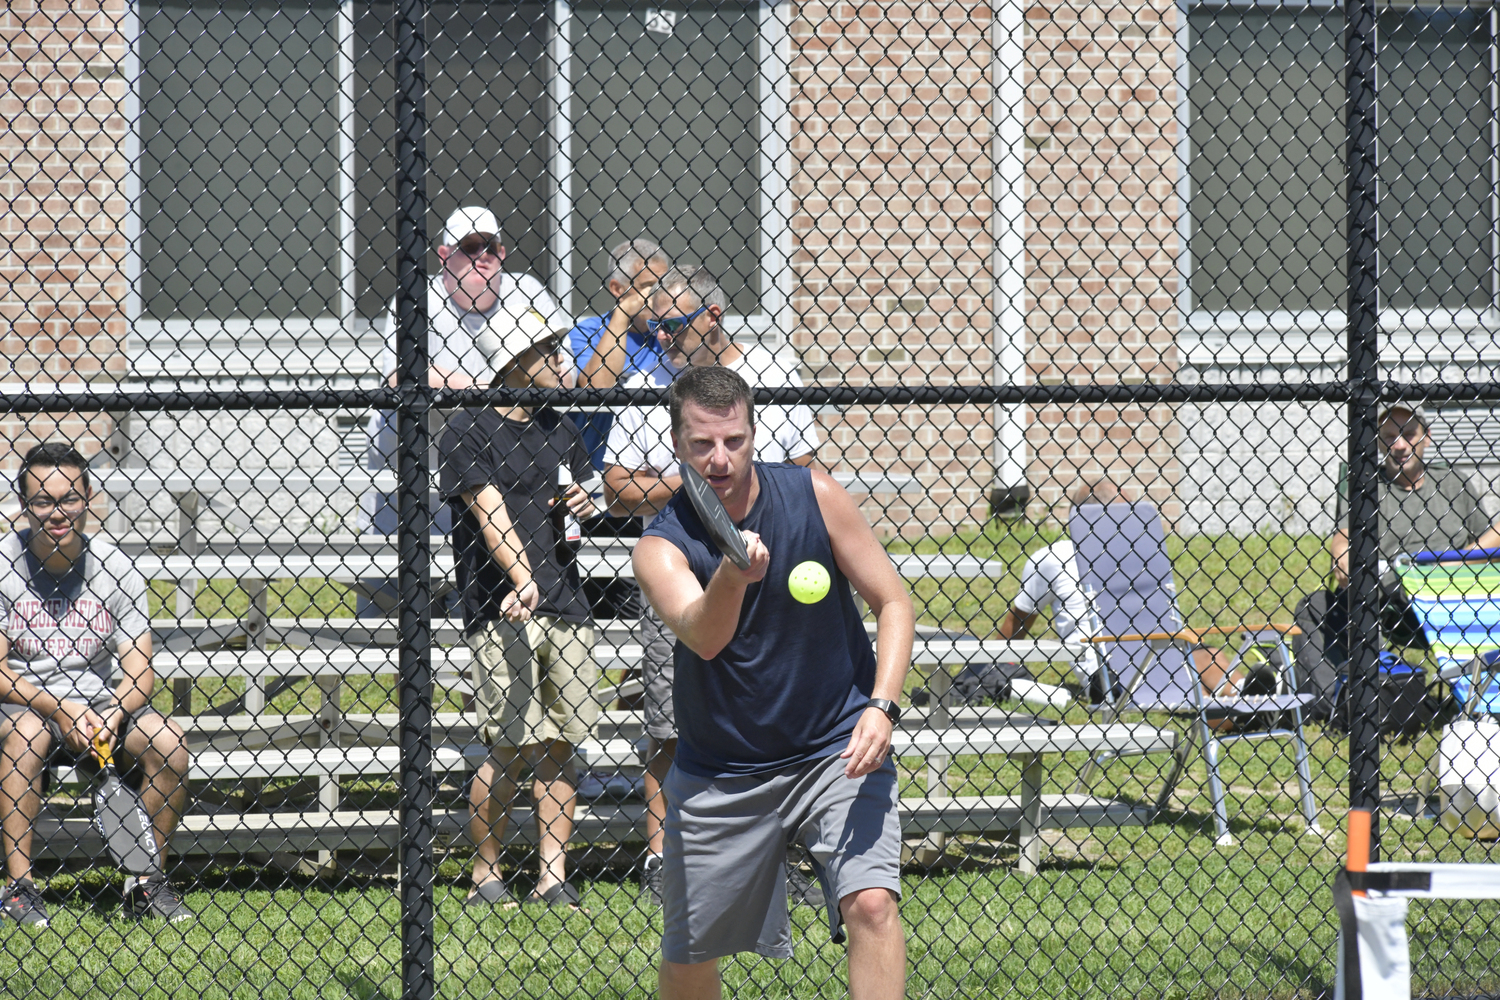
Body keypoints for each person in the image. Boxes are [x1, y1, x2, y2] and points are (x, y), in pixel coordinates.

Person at [633, 366, 909, 1000]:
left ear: (755, 432)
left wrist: (882, 708)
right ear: (677, 445)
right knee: (692, 953)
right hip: (723, 771)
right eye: (702, 444)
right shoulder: (660, 544)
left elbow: (893, 601)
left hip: (837, 751)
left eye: (733, 440)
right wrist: (736, 573)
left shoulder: (814, 494)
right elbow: (705, 636)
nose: (720, 458)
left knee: (871, 906)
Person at [601, 266, 821, 903]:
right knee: (671, 719)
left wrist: (740, 491)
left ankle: (776, 857)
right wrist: (705, 486)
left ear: (714, 315)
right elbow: (617, 488)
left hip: (768, 570)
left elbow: (804, 476)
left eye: (675, 325)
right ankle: (663, 857)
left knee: (771, 715)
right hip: (678, 569)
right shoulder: (649, 384)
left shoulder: (772, 372)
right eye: (655, 326)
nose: (663, 339)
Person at [437, 313, 600, 911]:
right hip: (501, 606)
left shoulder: (561, 427)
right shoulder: (465, 428)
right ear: (514, 360)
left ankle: (552, 876)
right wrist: (522, 580)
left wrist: (588, 498)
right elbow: (488, 513)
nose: (563, 362)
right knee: (507, 747)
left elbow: (587, 499)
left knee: (560, 746)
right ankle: (487, 872)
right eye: (550, 352)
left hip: (566, 602)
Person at [0, 442, 193, 926]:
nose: (57, 512)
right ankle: (19, 889)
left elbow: (140, 673)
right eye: (42, 500)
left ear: (88, 499)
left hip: (102, 710)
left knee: (168, 743)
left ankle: (145, 884)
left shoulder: (116, 567)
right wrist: (58, 708)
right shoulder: (4, 564)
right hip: (27, 706)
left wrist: (114, 711)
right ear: (23, 507)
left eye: (69, 498)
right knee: (28, 734)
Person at [360, 205, 572, 614]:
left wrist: (473, 390)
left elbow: (564, 373)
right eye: (469, 246)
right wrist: (486, 389)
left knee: (485, 607)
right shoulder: (416, 295)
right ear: (444, 255)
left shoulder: (525, 291)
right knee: (390, 616)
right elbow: (401, 373)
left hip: (498, 475)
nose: (482, 255)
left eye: (490, 246)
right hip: (415, 474)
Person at [1299, 404, 1500, 707]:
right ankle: (1338, 704)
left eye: (1408, 434)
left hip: (1459, 593)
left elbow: (1491, 536)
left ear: (1427, 438)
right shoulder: (1366, 486)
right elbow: (1343, 536)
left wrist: (1457, 561)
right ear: (1379, 442)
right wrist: (1341, 556)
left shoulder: (1452, 482)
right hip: (1393, 598)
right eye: (1390, 437)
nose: (1400, 445)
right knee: (1314, 605)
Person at [995, 480, 1243, 700]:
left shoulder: (1140, 551)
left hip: (1156, 647)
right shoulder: (1054, 558)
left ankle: (1249, 694)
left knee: (1207, 656)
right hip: (1107, 668)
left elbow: (1017, 621)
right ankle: (1243, 710)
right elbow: (1018, 621)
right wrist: (997, 668)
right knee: (1186, 683)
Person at [565, 238, 672, 468]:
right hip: (592, 472)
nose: (658, 296)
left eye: (664, 286)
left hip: (653, 472)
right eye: (649, 287)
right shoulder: (588, 331)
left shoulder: (669, 334)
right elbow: (597, 388)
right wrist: (622, 313)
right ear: (617, 289)